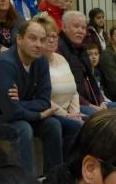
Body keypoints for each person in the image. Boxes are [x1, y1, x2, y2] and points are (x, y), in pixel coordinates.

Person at [0, 18, 66, 176]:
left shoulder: (41, 61)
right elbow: (12, 113)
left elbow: (44, 101)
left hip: (6, 111)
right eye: (32, 38)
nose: (38, 44)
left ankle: (54, 179)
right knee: (22, 128)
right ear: (19, 39)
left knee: (53, 125)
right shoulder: (4, 64)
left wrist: (17, 103)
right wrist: (38, 115)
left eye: (42, 40)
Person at [34, 12, 82, 147]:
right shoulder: (35, 63)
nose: (51, 40)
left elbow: (74, 91)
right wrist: (66, 115)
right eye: (47, 37)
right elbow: (41, 98)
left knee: (98, 120)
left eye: (54, 36)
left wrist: (75, 112)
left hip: (71, 111)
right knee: (79, 126)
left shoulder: (61, 58)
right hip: (50, 113)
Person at [58, 10, 108, 116]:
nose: (80, 31)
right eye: (76, 26)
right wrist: (90, 105)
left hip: (93, 101)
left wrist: (101, 101)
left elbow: (92, 79)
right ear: (64, 27)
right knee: (104, 117)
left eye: (83, 28)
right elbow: (69, 89)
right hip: (74, 104)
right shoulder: (59, 49)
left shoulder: (83, 49)